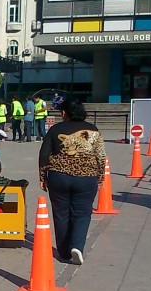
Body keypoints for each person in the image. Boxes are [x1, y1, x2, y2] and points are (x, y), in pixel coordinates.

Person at [38, 97, 106, 265]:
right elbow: (101, 156)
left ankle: (63, 251)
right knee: (82, 213)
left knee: (61, 214)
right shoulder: (93, 130)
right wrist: (100, 177)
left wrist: (43, 177)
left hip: (59, 176)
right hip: (86, 177)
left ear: (64, 112)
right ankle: (77, 247)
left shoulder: (55, 129)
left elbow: (44, 154)